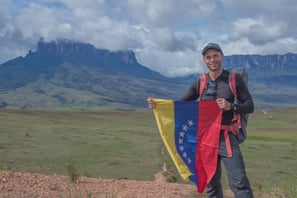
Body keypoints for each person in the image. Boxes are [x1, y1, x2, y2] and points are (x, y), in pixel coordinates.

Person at [147, 43, 254, 198]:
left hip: (226, 137)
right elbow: (182, 104)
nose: (212, 60)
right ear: (204, 60)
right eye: (208, 57)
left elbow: (250, 106)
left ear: (222, 56)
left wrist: (231, 106)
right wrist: (159, 105)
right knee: (211, 182)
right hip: (206, 139)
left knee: (239, 182)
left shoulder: (234, 79)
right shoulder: (201, 82)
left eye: (215, 56)